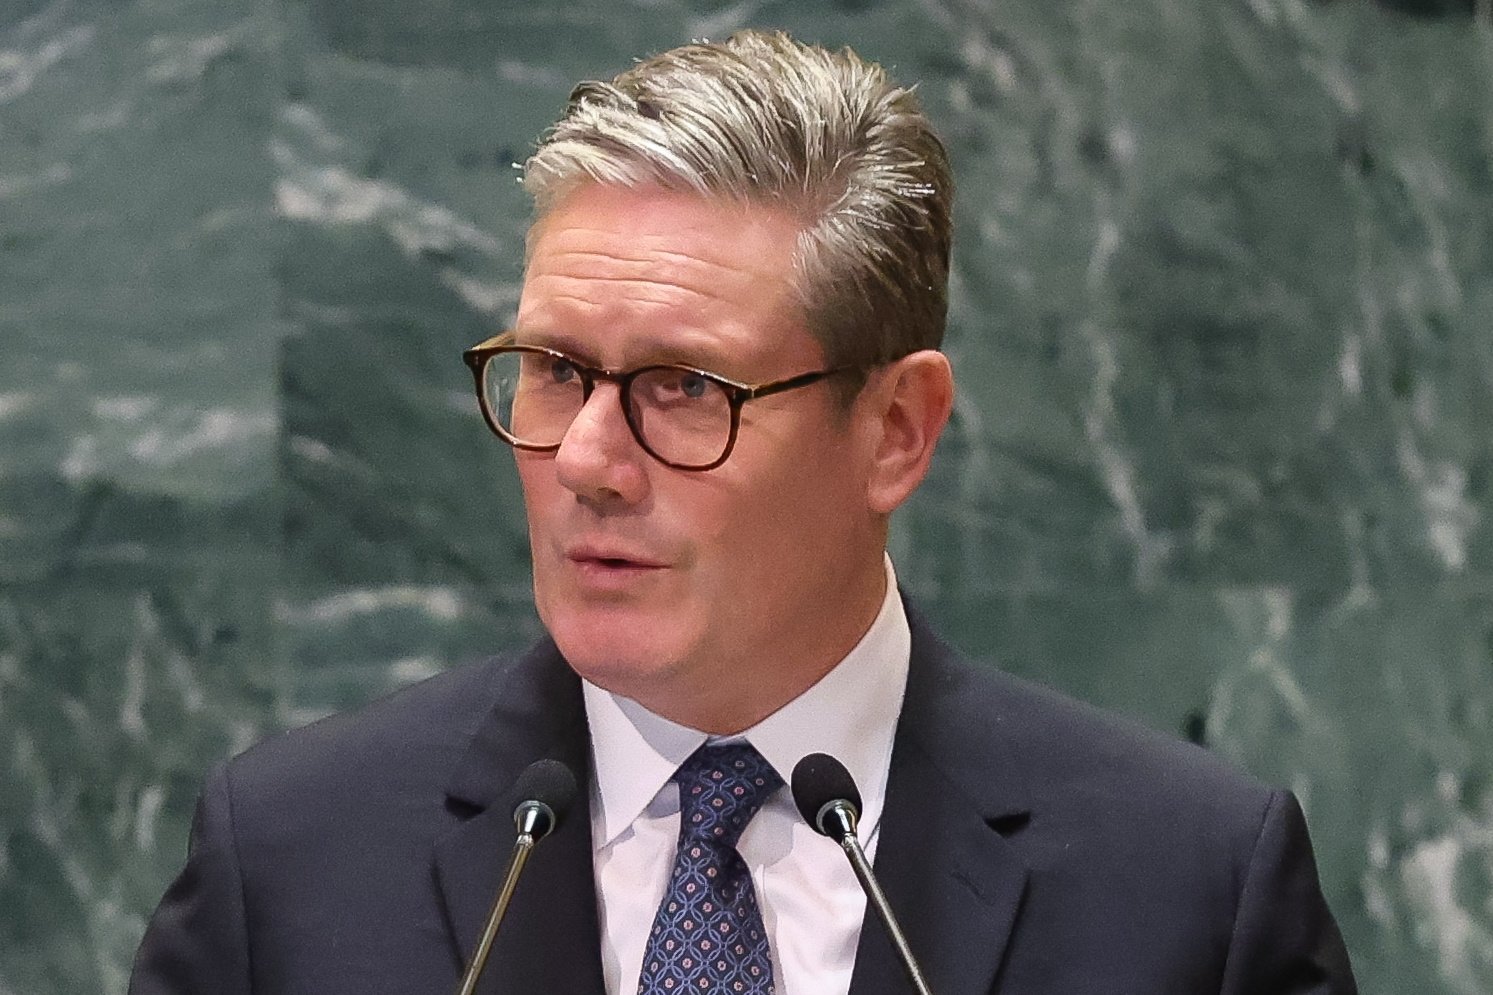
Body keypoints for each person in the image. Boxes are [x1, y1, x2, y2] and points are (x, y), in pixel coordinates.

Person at [130, 29, 1357, 994]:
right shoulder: (291, 865)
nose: (590, 459)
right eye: (556, 369)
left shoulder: (1189, 893)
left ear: (894, 432)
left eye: (683, 388)